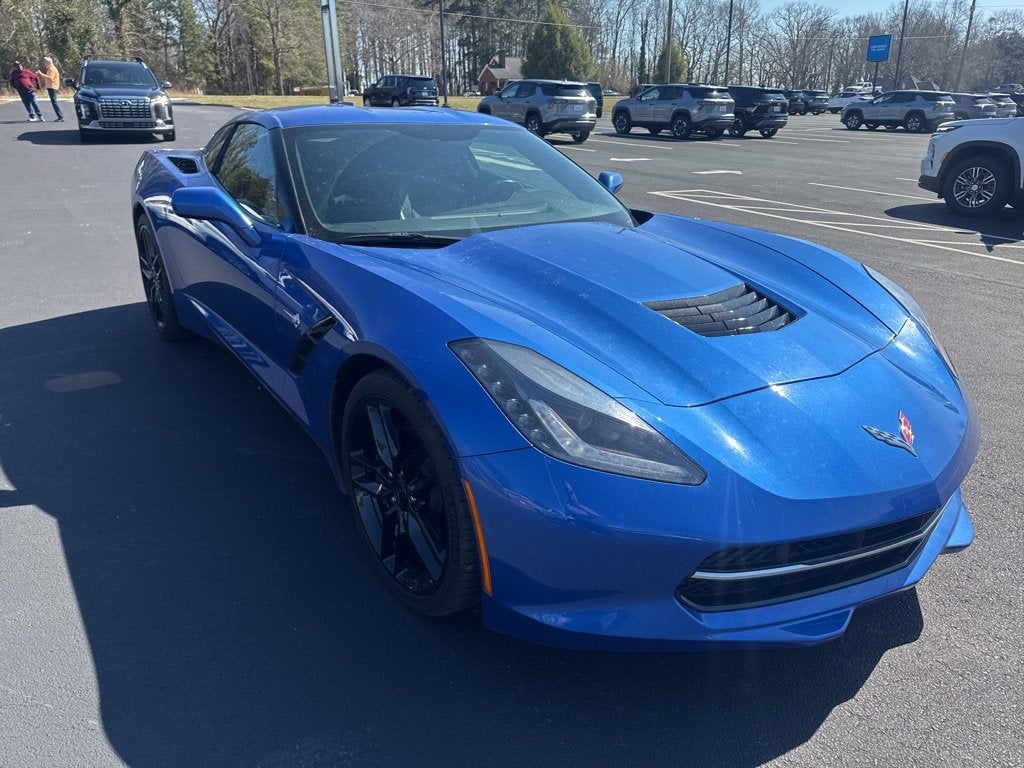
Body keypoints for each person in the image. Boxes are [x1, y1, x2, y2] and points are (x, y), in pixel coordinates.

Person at [35, 56, 64, 121]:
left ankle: (61, 116)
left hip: (52, 87)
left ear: (48, 62)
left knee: (54, 102)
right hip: (51, 87)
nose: (44, 63)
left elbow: (50, 78)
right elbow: (48, 77)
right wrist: (40, 75)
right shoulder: (50, 69)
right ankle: (60, 116)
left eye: (45, 62)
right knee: (54, 102)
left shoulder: (52, 69)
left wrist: (41, 74)